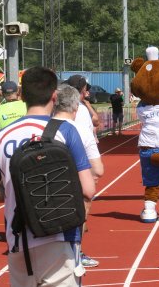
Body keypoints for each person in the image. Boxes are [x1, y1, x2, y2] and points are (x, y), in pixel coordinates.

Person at [0, 66, 96, 287]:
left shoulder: (1, 137)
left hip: (18, 238)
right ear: (54, 96)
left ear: (21, 96)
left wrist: (19, 189)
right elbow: (88, 189)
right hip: (60, 233)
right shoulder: (66, 131)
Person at [64, 75, 101, 268]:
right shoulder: (82, 110)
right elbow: (90, 132)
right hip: (81, 163)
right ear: (82, 89)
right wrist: (95, 169)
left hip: (61, 161)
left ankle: (68, 250)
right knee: (82, 208)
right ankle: (77, 252)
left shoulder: (59, 108)